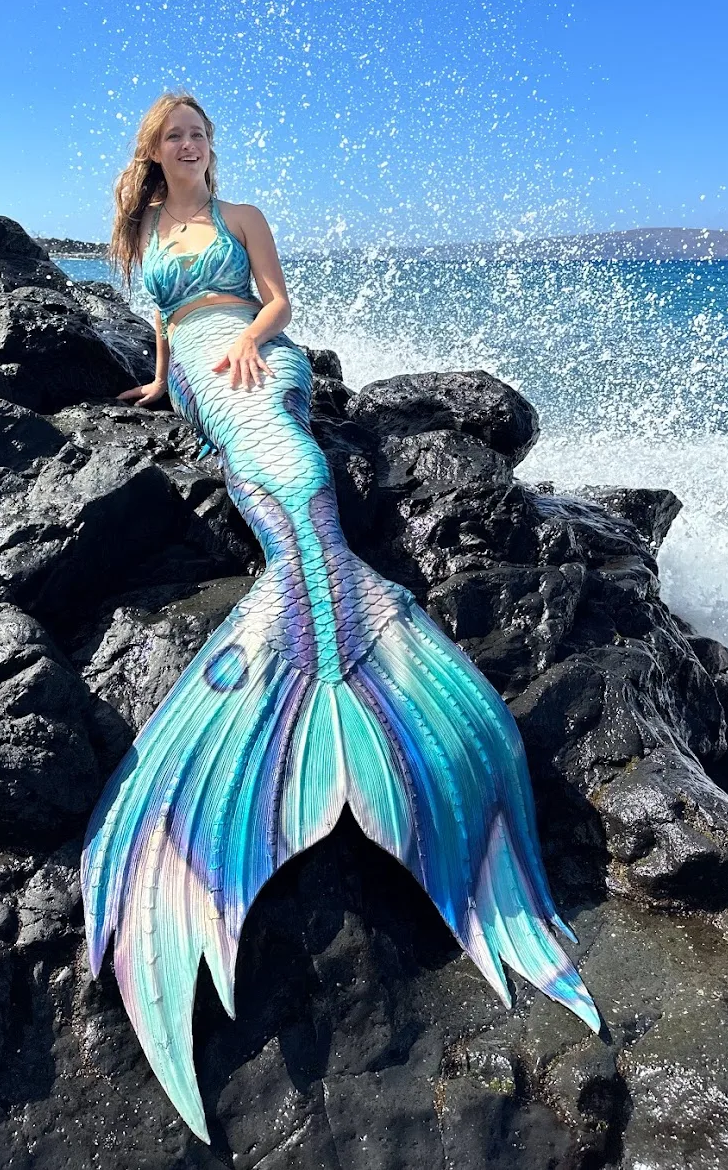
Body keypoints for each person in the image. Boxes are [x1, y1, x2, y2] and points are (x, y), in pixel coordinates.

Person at [82, 91, 600, 1143]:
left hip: (260, 360)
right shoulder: (144, 232)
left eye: (203, 137)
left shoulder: (243, 218)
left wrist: (249, 349)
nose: (193, 147)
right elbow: (160, 323)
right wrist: (159, 382)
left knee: (292, 455)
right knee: (262, 460)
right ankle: (325, 637)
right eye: (178, 138)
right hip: (198, 376)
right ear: (154, 152)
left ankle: (332, 631)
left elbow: (274, 304)